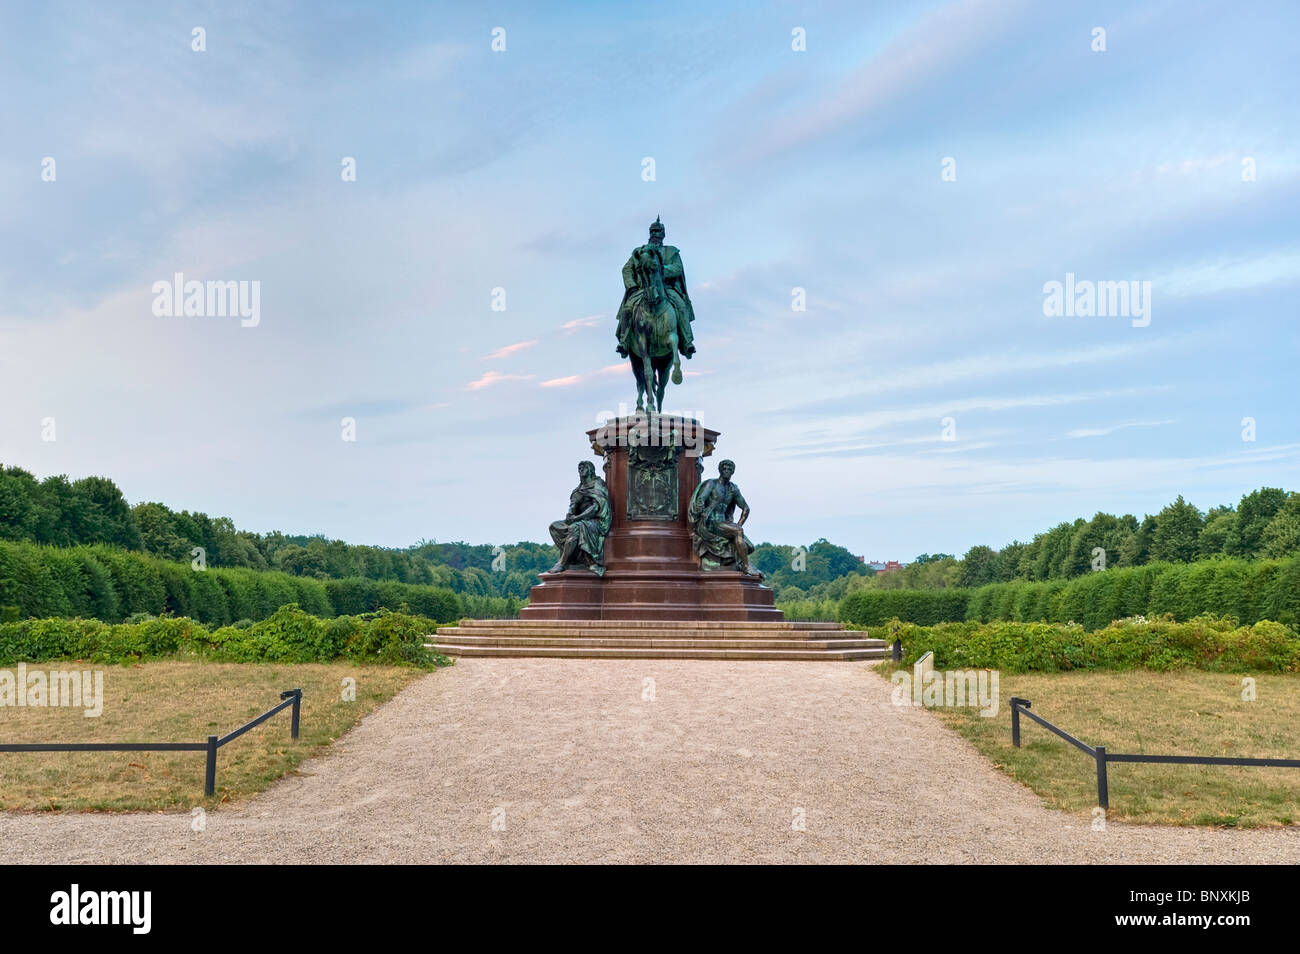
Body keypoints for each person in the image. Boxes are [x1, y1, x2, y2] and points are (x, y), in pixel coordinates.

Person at [615, 216, 696, 360]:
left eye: (658, 232)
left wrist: (661, 270)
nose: (655, 234)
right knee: (628, 308)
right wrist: (632, 286)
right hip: (642, 288)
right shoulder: (639, 252)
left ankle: (687, 342)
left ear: (663, 234)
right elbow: (627, 270)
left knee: (681, 306)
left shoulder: (671, 251)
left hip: (666, 288)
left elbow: (677, 268)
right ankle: (624, 341)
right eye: (652, 232)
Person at [687, 459, 755, 574]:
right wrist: (701, 512)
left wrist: (737, 526)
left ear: (733, 472)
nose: (727, 471)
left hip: (723, 523)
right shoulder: (711, 484)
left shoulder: (733, 489)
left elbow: (746, 509)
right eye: (724, 469)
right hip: (710, 522)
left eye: (729, 469)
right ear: (720, 470)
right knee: (738, 532)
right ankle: (746, 566)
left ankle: (730, 563)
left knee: (750, 547)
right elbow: (701, 499)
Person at [547, 461, 612, 576]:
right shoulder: (578, 490)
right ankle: (574, 556)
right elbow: (572, 507)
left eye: (583, 468)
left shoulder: (598, 483)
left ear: (590, 470)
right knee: (554, 526)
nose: (580, 470)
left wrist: (577, 518)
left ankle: (562, 563)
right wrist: (570, 515)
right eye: (579, 468)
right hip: (580, 520)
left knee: (576, 527)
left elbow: (596, 507)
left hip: (596, 520)